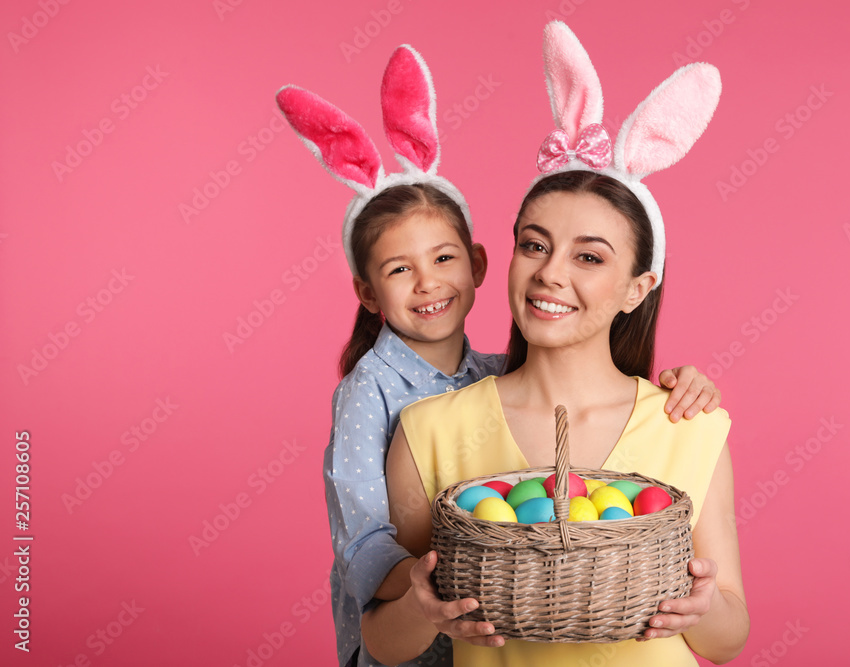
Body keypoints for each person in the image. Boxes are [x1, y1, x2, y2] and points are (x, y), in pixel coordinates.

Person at [277, 44, 723, 667]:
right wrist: (431, 590)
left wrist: (681, 382)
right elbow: (369, 552)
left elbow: (726, 628)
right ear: (367, 291)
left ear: (478, 263)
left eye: (589, 256)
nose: (428, 284)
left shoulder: (491, 376)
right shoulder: (389, 401)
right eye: (535, 246)